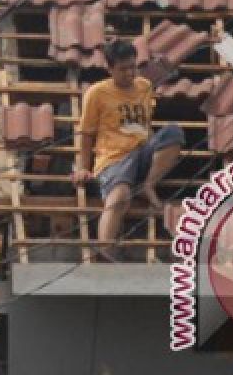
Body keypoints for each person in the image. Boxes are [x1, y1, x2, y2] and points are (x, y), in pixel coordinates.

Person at [71, 39, 184, 262]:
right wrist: (83, 167)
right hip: (113, 159)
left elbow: (146, 125)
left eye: (132, 67)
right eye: (123, 69)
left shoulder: (144, 87)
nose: (129, 73)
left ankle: (147, 184)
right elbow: (86, 133)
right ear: (110, 68)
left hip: (141, 152)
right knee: (119, 197)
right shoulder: (97, 93)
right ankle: (105, 251)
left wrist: (154, 152)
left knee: (173, 133)